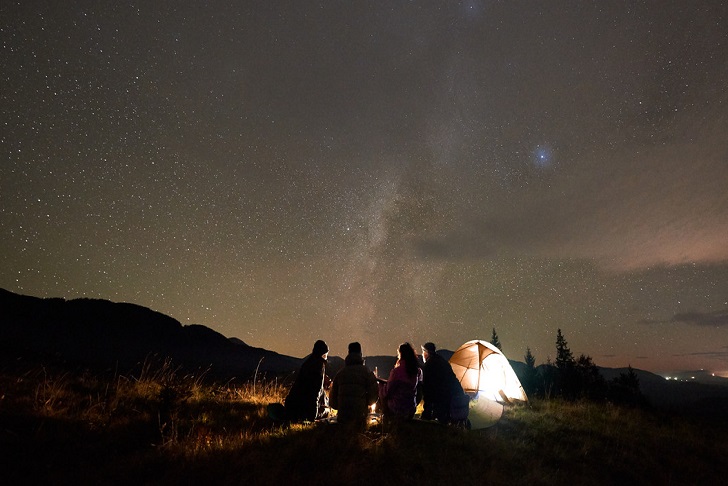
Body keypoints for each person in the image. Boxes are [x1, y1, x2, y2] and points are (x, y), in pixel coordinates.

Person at [329, 342, 379, 427]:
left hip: (342, 419)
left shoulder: (340, 373)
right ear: (360, 353)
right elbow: (373, 398)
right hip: (360, 419)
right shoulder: (367, 372)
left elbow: (333, 402)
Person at [284, 339, 329, 422]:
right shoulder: (319, 367)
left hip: (292, 409)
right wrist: (312, 416)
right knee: (327, 410)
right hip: (304, 412)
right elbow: (315, 394)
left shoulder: (307, 364)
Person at [421, 342, 466, 424]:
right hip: (451, 395)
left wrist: (426, 413)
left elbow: (428, 389)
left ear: (426, 352)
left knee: (441, 420)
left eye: (423, 352)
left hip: (442, 397)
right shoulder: (442, 361)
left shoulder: (429, 365)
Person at [381, 342, 423, 420]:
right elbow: (419, 391)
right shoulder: (418, 371)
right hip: (410, 407)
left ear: (400, 354)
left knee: (382, 391)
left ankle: (385, 421)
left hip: (396, 407)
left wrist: (381, 388)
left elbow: (388, 391)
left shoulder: (396, 372)